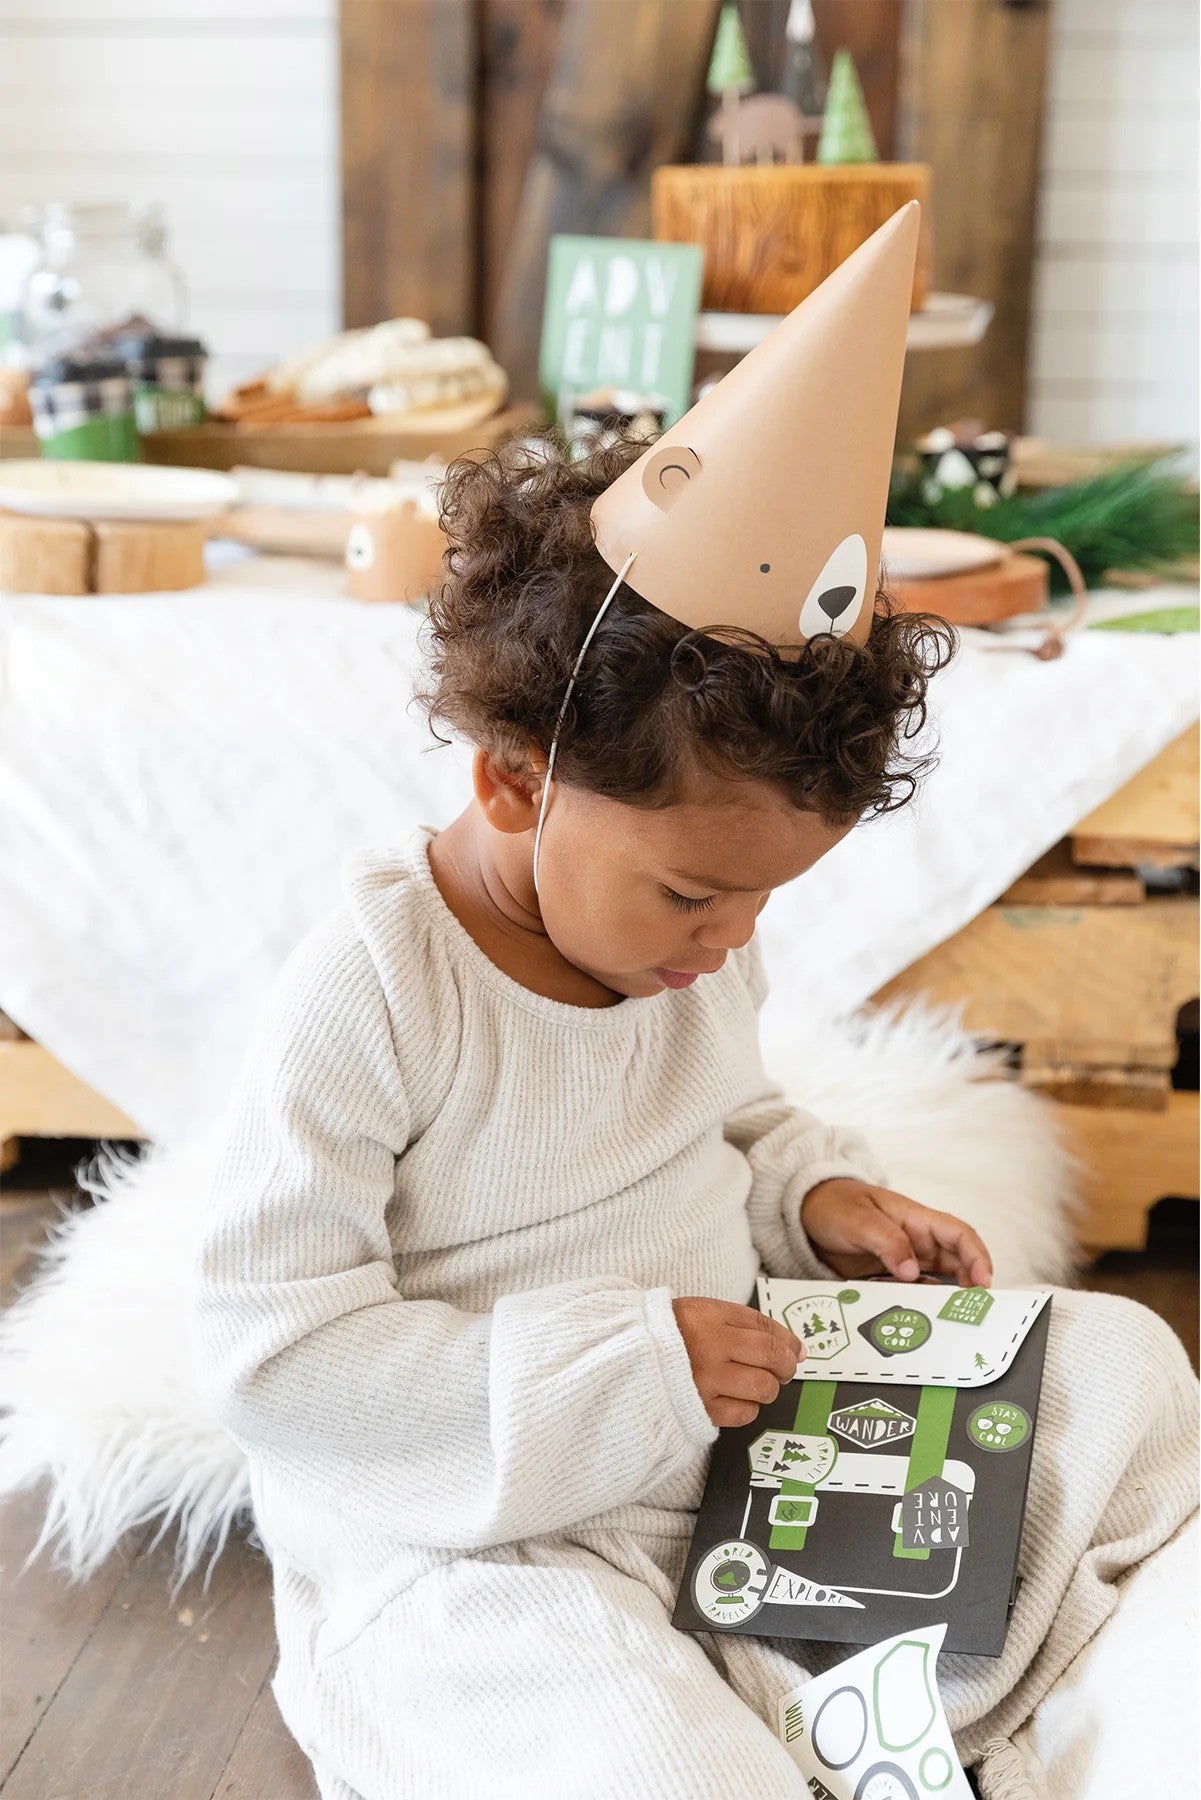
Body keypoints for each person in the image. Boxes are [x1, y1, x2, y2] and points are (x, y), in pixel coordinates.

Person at [192, 213, 1197, 1800]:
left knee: (1119, 1371)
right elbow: (276, 1355)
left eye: (763, 903)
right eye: (691, 896)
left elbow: (728, 1116)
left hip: (745, 1435)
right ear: (517, 783)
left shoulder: (679, 951)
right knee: (610, 1739)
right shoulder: (374, 987)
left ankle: (1041, 1702)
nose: (727, 944)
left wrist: (819, 1195)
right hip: (489, 1520)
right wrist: (622, 1374)